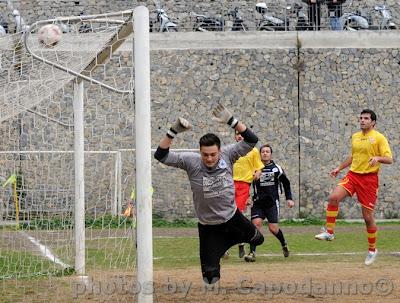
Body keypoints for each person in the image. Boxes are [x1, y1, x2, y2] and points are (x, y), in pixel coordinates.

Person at [154, 104, 264, 284]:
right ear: (200, 152)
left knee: (258, 240)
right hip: (208, 227)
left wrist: (232, 121)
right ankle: (219, 247)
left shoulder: (229, 154)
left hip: (232, 218)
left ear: (220, 151)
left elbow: (252, 140)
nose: (210, 158)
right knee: (210, 279)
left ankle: (229, 241)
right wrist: (173, 130)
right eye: (205, 155)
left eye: (213, 154)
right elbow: (161, 155)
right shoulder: (190, 161)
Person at [315, 109, 393, 266]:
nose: (362, 120)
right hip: (353, 176)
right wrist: (339, 168)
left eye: (366, 118)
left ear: (373, 122)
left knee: (367, 218)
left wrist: (378, 158)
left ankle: (372, 249)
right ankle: (329, 232)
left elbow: (389, 159)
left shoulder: (379, 138)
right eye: (361, 118)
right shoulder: (356, 137)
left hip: (369, 180)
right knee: (333, 197)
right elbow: (353, 157)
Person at [244, 144, 295, 262]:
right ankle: (252, 253)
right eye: (263, 151)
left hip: (272, 203)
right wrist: (247, 197)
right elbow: (246, 183)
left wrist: (289, 198)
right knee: (256, 225)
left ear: (271, 154)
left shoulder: (277, 168)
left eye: (267, 151)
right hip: (258, 203)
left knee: (273, 229)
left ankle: (284, 244)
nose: (265, 153)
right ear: (259, 154)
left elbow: (286, 183)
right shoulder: (254, 168)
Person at [233, 130, 264, 258]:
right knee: (224, 214)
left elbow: (259, 167)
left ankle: (240, 241)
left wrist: (258, 172)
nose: (240, 136)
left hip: (243, 185)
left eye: (242, 134)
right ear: (235, 136)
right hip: (228, 184)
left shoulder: (254, 151)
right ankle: (225, 246)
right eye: (237, 134)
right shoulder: (231, 150)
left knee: (237, 214)